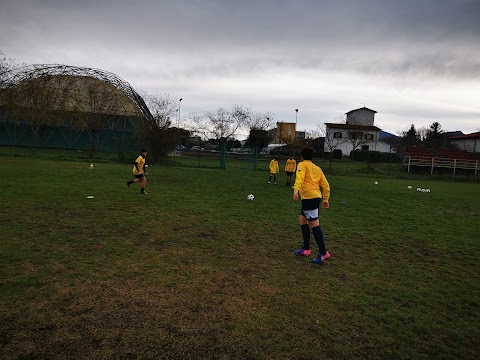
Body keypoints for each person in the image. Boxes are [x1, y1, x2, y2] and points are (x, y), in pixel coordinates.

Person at [292, 147, 331, 264]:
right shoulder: (317, 168)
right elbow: (326, 185)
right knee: (302, 220)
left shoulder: (302, 165)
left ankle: (324, 253)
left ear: (302, 156)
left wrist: (296, 190)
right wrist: (325, 199)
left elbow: (300, 177)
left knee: (314, 225)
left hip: (309, 199)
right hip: (315, 197)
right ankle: (306, 249)